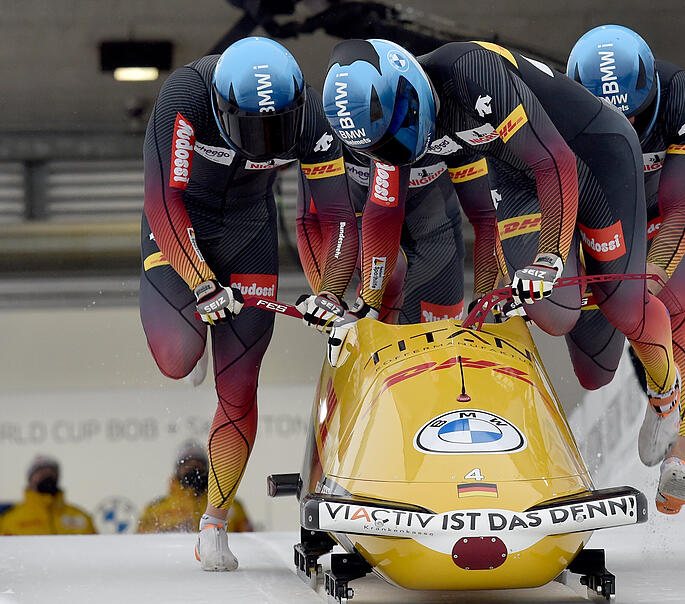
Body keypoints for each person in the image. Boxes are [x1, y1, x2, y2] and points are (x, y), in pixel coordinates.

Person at [317, 38, 678, 485]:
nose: (402, 148)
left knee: (623, 307)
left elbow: (557, 162)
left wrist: (549, 258)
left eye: (402, 130)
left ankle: (665, 394)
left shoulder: (471, 72)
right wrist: (368, 301)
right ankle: (582, 285)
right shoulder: (390, 137)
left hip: (593, 156)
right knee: (564, 332)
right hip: (519, 175)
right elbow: (383, 213)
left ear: (411, 85)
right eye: (386, 145)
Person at [141, 36, 357, 570]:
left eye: (275, 128)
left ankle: (213, 524)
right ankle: (191, 344)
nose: (264, 142)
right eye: (252, 128)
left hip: (248, 230)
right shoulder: (186, 97)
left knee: (238, 389)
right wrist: (198, 280)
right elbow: (162, 199)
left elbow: (340, 219)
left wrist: (330, 290)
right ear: (223, 108)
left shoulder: (311, 118)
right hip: (179, 227)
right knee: (176, 358)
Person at [567, 24, 685, 513]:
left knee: (667, 313)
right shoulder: (555, 104)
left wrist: (648, 271)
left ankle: (678, 454)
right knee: (592, 372)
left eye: (632, 113)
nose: (624, 124)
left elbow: (683, 204)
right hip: (599, 224)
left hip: (657, 224)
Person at [296, 145, 508, 327]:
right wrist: (329, 295)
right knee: (392, 269)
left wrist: (483, 298)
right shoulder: (328, 131)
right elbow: (310, 219)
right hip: (362, 233)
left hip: (435, 239)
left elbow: (487, 218)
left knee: (441, 350)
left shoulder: (452, 126)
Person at [137, 440, 251, 534]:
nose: (194, 469)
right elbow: (143, 544)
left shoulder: (230, 505)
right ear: (177, 470)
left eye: (199, 464)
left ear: (208, 469)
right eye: (187, 465)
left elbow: (248, 541)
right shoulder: (155, 509)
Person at [0, 455, 96, 535]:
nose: (47, 475)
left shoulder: (81, 517)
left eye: (52, 471)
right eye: (41, 472)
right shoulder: (9, 520)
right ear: (30, 479)